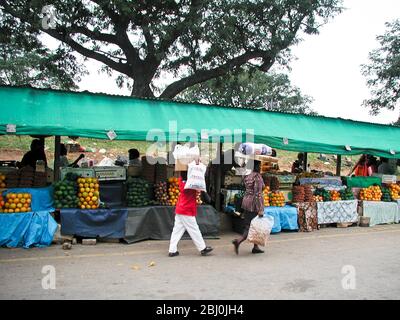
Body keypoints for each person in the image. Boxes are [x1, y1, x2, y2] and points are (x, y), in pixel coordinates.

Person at [168, 170, 213, 257]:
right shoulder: (190, 184)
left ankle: (172, 250)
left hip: (181, 208)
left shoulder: (182, 181)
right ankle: (202, 248)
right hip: (186, 210)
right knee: (194, 230)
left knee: (177, 231)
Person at [232, 160, 265, 255]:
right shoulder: (257, 176)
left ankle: (256, 247)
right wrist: (260, 208)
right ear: (256, 167)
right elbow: (258, 194)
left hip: (246, 201)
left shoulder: (247, 176)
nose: (260, 167)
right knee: (252, 226)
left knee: (253, 225)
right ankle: (238, 241)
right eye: (259, 166)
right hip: (254, 204)